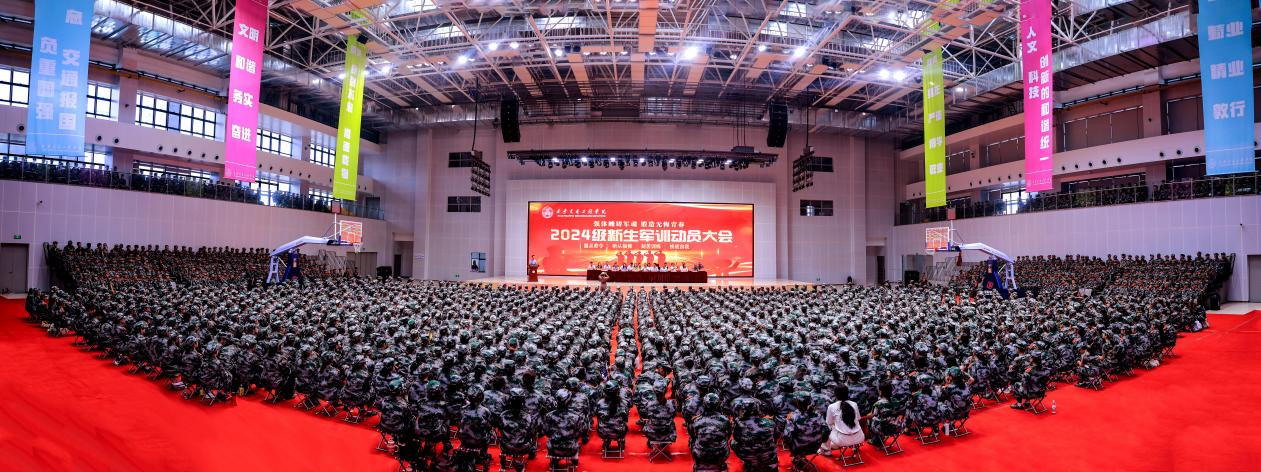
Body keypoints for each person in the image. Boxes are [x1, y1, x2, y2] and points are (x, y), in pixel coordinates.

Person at [819, 385, 864, 457]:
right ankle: (855, 446)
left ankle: (826, 450)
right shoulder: (854, 404)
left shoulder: (832, 406)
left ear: (835, 394)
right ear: (847, 393)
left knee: (825, 427)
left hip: (842, 440)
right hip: (859, 437)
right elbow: (858, 418)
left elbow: (829, 422)